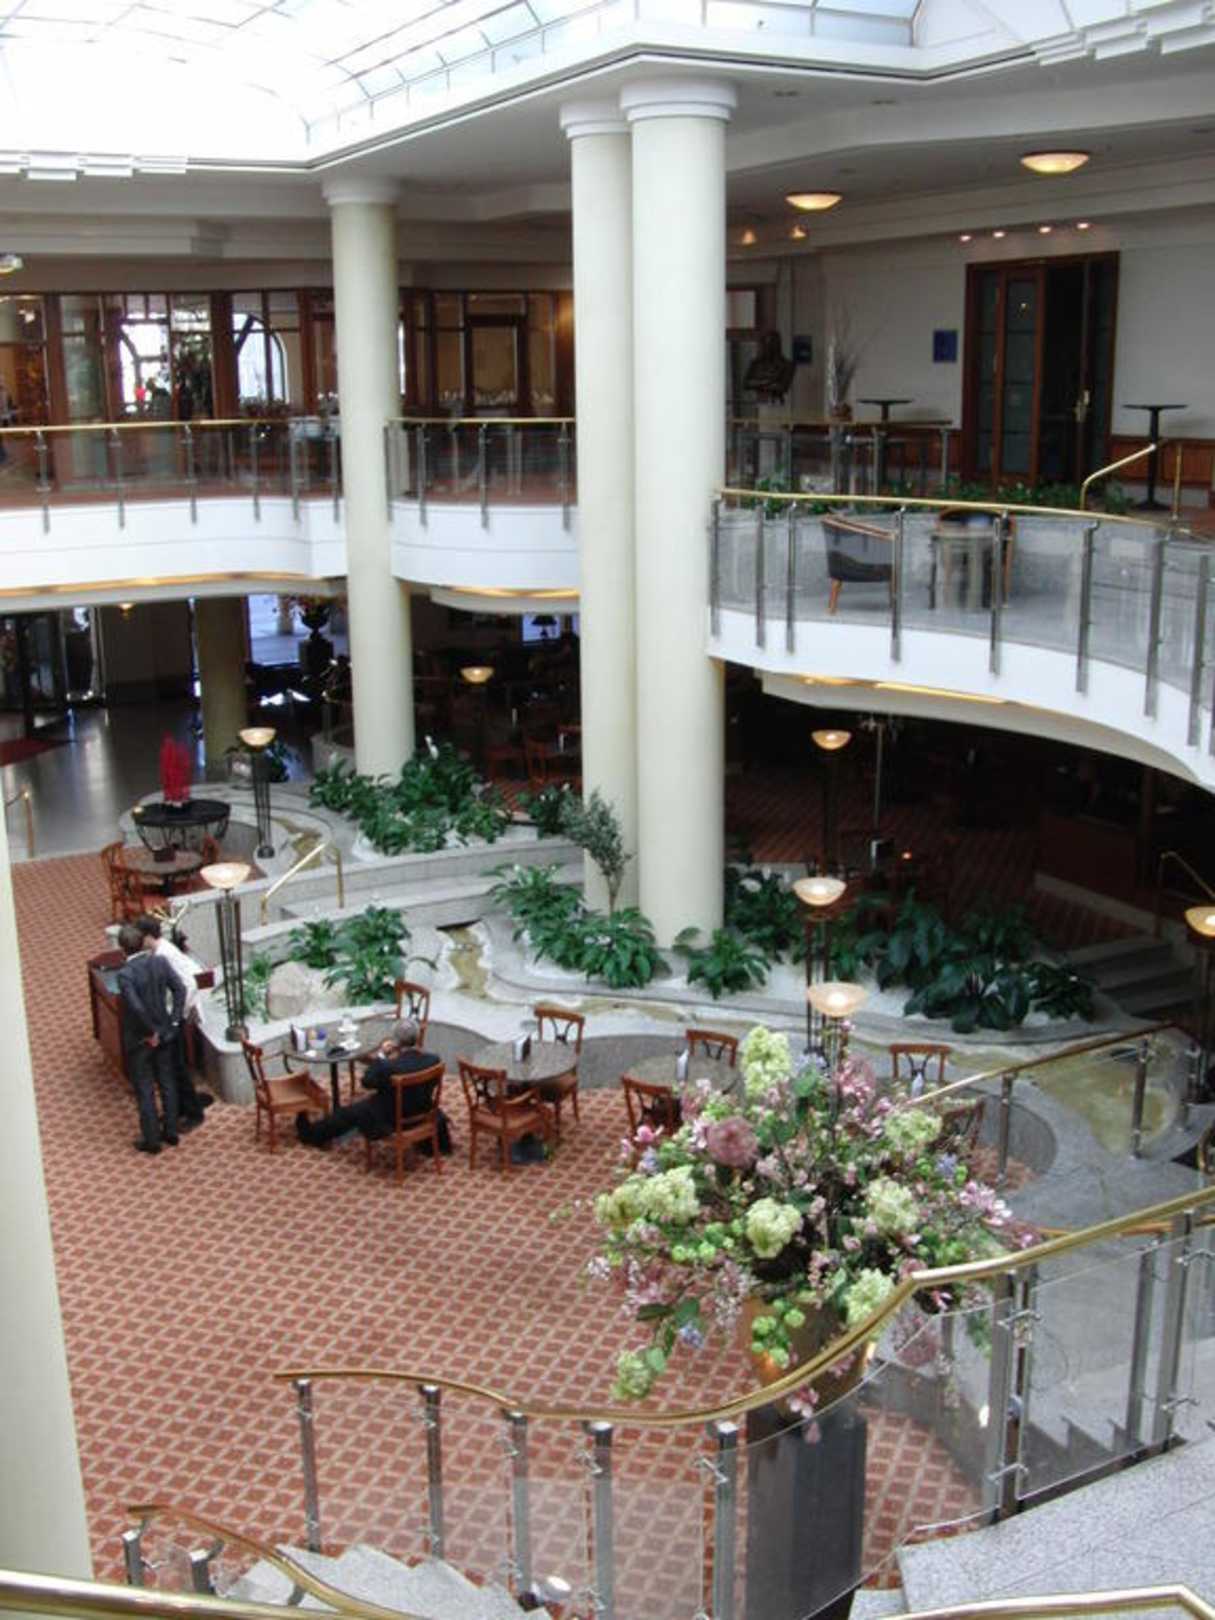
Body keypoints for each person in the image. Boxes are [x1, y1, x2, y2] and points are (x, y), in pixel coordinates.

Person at [296, 1019, 451, 1154]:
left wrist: (382, 1056)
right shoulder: (433, 1060)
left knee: (348, 1113)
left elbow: (366, 1081)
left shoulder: (388, 1067)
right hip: (422, 1110)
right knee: (364, 1106)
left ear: (396, 1042)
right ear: (417, 1038)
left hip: (391, 1118)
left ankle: (310, 1134)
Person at [136, 914, 214, 1129]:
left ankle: (193, 1113)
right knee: (175, 1065)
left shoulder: (164, 954)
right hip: (175, 1014)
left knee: (177, 1066)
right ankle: (181, 1105)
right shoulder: (160, 950)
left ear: (148, 936)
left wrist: (177, 1015)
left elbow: (189, 983)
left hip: (176, 1016)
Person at [116, 922, 185, 1155]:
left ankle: (152, 1139)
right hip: (165, 1032)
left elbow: (136, 1007)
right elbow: (180, 989)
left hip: (141, 1039)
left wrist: (151, 1031)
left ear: (123, 948)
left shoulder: (125, 974)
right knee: (167, 1081)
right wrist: (173, 1021)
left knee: (144, 1087)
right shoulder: (159, 962)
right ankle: (172, 1131)